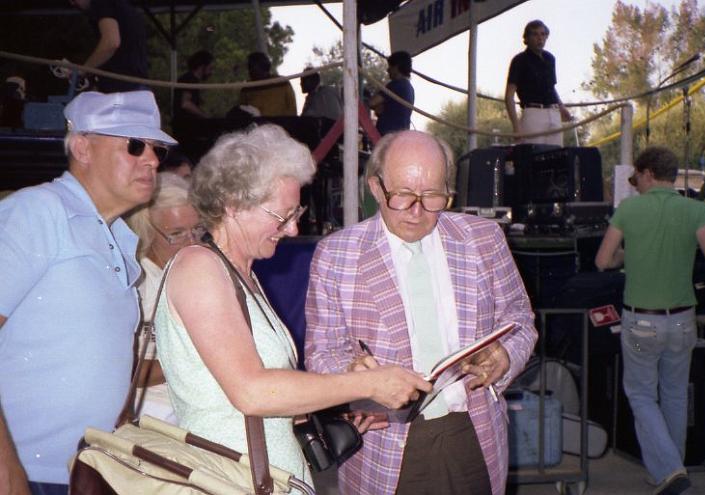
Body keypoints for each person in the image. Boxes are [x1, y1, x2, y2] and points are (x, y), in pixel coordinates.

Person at [153, 124, 431, 490]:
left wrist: (339, 403)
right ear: (233, 205)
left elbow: (261, 397)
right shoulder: (199, 268)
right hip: (230, 481)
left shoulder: (240, 275)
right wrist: (366, 383)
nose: (293, 230)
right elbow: (251, 391)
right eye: (282, 216)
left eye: (295, 213)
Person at [304, 130, 536, 495]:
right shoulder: (336, 256)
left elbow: (520, 318)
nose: (417, 211)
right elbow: (321, 353)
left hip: (472, 430)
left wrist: (505, 356)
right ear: (376, 188)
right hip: (383, 442)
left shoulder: (484, 239)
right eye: (403, 195)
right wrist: (353, 374)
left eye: (432, 196)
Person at [0, 90, 175, 495]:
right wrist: (6, 467)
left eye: (157, 149)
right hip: (30, 470)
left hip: (89, 469)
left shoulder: (117, 237)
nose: (151, 159)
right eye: (135, 145)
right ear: (82, 148)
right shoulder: (37, 213)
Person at [595, 146, 705, 495]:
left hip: (641, 320)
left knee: (642, 396)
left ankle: (670, 470)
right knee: (675, 395)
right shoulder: (697, 210)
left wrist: (627, 256)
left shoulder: (629, 209)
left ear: (647, 173)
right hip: (683, 320)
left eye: (637, 179)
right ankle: (670, 472)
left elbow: (602, 260)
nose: (636, 186)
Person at [126, 172, 203, 424]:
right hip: (153, 413)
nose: (191, 242)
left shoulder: (196, 271)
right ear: (146, 232)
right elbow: (125, 372)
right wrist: (197, 364)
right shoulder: (135, 283)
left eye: (197, 230)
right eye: (177, 233)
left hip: (193, 406)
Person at [505, 20, 572, 146]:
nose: (540, 38)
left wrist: (561, 107)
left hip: (554, 112)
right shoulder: (519, 60)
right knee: (534, 154)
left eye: (543, 34)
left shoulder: (550, 58)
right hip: (533, 113)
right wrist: (516, 126)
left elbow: (551, 87)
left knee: (556, 154)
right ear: (527, 38)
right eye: (535, 34)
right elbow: (509, 95)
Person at [70, 0, 148, 93]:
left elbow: (111, 42)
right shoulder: (122, 8)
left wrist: (82, 70)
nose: (72, 3)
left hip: (122, 91)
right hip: (135, 87)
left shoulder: (102, 3)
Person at [369, 51, 414, 136]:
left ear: (396, 67)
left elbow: (371, 102)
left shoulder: (396, 84)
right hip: (400, 136)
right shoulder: (409, 88)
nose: (388, 70)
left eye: (390, 66)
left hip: (387, 136)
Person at [240, 52, 297, 117]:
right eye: (249, 67)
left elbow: (292, 109)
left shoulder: (281, 82)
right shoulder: (247, 88)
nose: (250, 70)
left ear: (263, 66)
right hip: (255, 123)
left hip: (280, 122)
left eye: (251, 66)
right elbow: (242, 112)